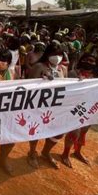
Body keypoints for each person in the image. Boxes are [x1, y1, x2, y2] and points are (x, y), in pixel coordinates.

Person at [27, 41, 67, 169]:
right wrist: (41, 81)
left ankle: (45, 152)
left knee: (58, 132)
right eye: (54, 54)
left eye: (60, 54)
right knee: (36, 129)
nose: (57, 57)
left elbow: (67, 85)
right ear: (48, 54)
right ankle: (32, 152)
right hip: (39, 105)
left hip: (56, 106)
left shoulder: (63, 69)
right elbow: (28, 85)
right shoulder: (39, 67)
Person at [61, 53, 98, 168]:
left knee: (84, 131)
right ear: (81, 61)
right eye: (87, 60)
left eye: (92, 61)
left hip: (90, 108)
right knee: (74, 132)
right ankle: (65, 154)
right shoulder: (73, 73)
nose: (89, 63)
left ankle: (77, 151)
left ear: (96, 64)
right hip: (75, 107)